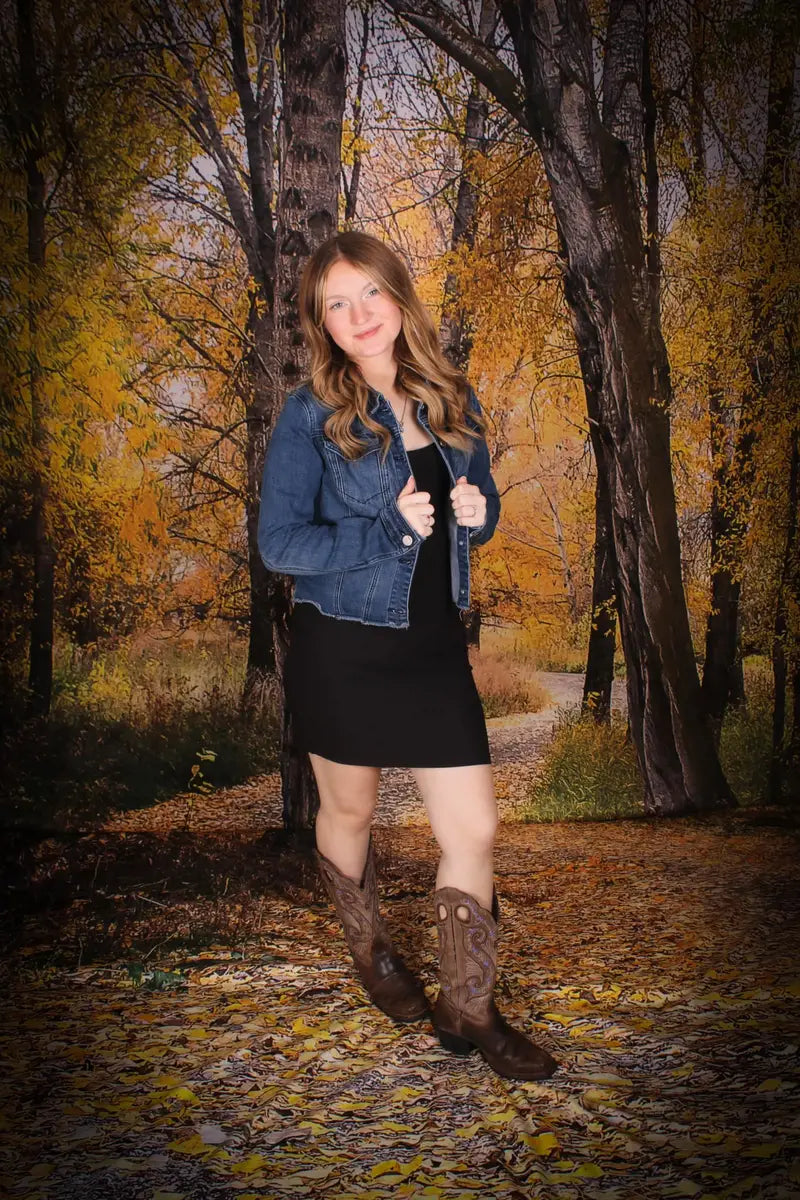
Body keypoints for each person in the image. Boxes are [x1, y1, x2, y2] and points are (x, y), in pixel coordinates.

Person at [258, 231, 557, 1082]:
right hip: (343, 647)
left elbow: (484, 506)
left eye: (370, 295)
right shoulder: (308, 414)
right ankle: (375, 957)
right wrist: (383, 528)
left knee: (476, 828)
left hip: (432, 651)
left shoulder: (450, 399)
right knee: (349, 815)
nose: (357, 316)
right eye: (336, 304)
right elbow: (279, 542)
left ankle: (472, 1007)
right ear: (321, 321)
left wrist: (477, 513)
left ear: (399, 296)